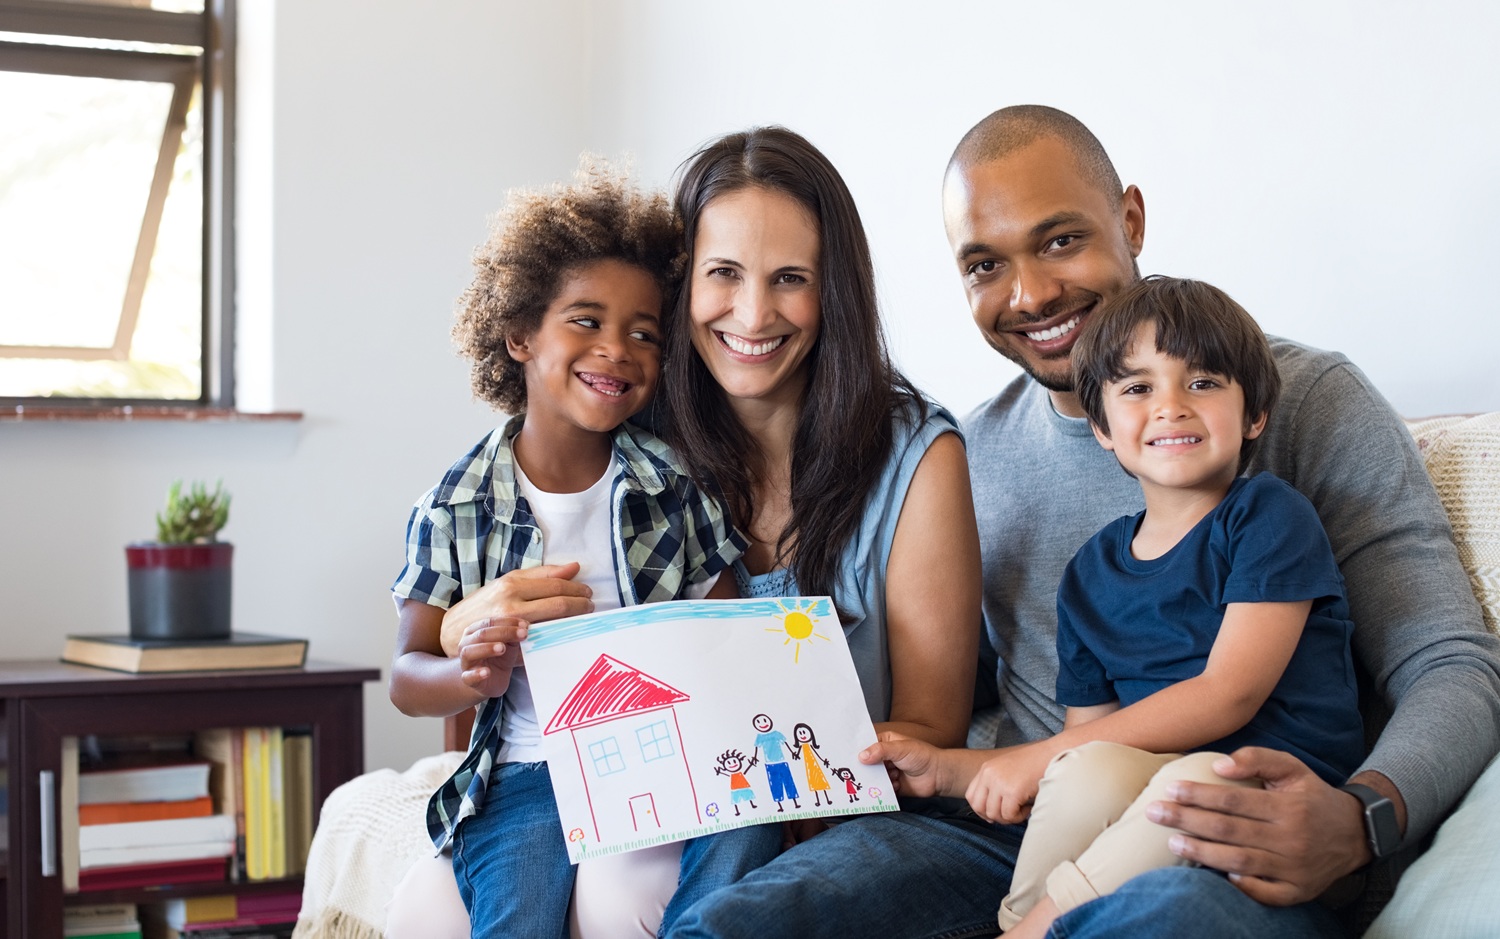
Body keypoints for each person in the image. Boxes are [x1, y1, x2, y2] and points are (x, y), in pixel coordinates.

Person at [668, 106, 1500, 939]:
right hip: (1019, 833)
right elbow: (972, 693)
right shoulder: (969, 453)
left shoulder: (1300, 400)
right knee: (738, 922)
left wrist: (1361, 818)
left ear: (1129, 219)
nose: (1030, 293)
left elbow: (1452, 664)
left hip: (1224, 846)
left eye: (1061, 240)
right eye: (986, 264)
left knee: (1161, 919)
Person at [891, 276, 1367, 938]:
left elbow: (1228, 694)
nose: (1171, 407)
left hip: (1273, 798)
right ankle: (1020, 921)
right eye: (1139, 388)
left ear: (1254, 415)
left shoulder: (1267, 516)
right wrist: (946, 770)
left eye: (1202, 382)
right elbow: (1087, 744)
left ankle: (1031, 932)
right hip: (1153, 801)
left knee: (1191, 779)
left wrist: (1044, 755)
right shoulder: (1091, 573)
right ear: (1102, 428)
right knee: (1088, 770)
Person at [386, 161, 780, 939]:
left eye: (643, 333)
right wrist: (470, 673)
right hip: (528, 770)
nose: (617, 349)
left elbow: (731, 638)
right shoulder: (455, 503)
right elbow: (406, 674)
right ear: (520, 334)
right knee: (520, 913)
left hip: (664, 755)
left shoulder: (674, 485)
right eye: (587, 321)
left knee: (748, 824)